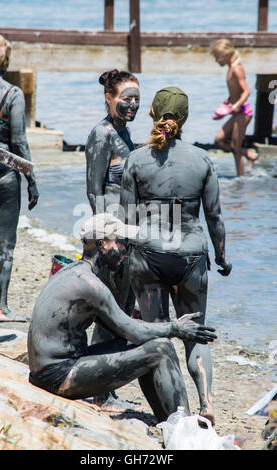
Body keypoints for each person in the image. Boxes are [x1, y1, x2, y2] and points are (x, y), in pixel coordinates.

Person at [27, 213, 217, 424]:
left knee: (147, 343)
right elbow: (133, 331)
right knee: (161, 349)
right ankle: (184, 427)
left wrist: (166, 328)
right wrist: (176, 328)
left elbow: (126, 329)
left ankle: (167, 420)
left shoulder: (74, 272)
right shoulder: (91, 285)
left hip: (46, 370)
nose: (126, 251)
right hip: (58, 376)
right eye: (121, 243)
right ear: (102, 245)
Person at [120, 87, 232, 426]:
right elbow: (214, 217)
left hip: (149, 258)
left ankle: (174, 412)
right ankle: (207, 404)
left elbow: (126, 220)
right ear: (184, 119)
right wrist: (222, 257)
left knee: (158, 335)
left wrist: (125, 259)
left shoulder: (136, 159)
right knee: (195, 332)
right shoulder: (201, 160)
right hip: (190, 259)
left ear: (153, 115)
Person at [85, 69, 140, 410]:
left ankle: (106, 386)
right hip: (110, 236)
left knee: (121, 308)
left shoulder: (126, 132)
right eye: (125, 98)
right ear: (108, 97)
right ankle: (99, 391)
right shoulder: (101, 134)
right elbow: (94, 190)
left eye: (136, 98)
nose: (131, 104)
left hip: (126, 232)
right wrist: (107, 238)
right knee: (106, 311)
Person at [0, 32, 39, 322]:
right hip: (2, 172)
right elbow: (20, 143)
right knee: (4, 245)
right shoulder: (12, 94)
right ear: (6, 61)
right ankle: (0, 308)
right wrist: (32, 180)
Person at [210, 39, 257, 177]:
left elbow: (246, 91)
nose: (216, 60)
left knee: (236, 149)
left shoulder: (237, 69)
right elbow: (236, 91)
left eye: (217, 57)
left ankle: (240, 180)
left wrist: (236, 105)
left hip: (243, 112)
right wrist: (229, 100)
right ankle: (248, 154)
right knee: (219, 140)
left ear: (227, 54)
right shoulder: (230, 69)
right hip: (236, 112)